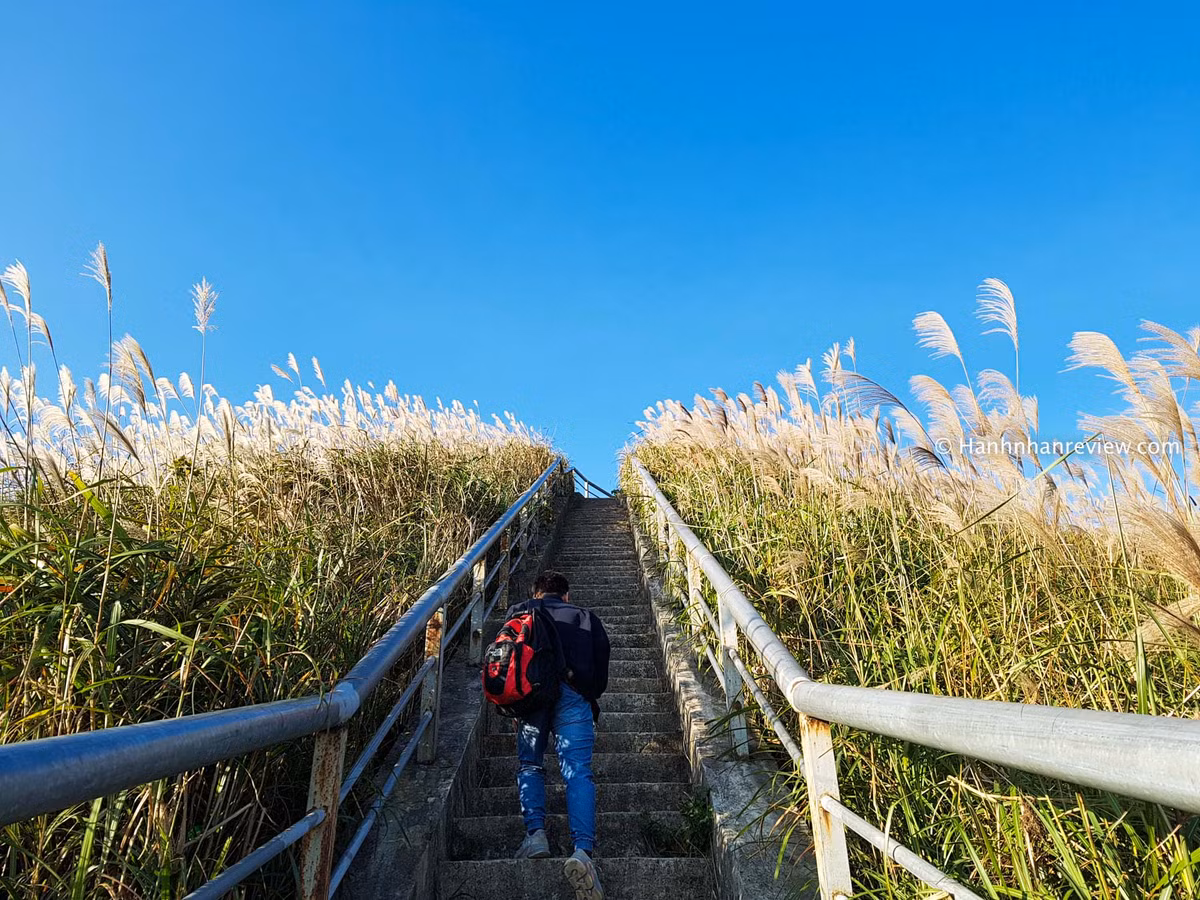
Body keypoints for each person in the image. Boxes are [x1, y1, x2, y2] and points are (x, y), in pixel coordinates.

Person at [507, 570, 610, 900]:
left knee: (530, 765)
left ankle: (536, 835)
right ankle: (582, 852)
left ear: (536, 593)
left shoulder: (520, 612)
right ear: (566, 595)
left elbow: (504, 659)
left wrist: (511, 702)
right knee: (578, 772)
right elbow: (601, 664)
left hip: (530, 700)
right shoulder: (583, 617)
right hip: (572, 698)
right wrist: (586, 692)